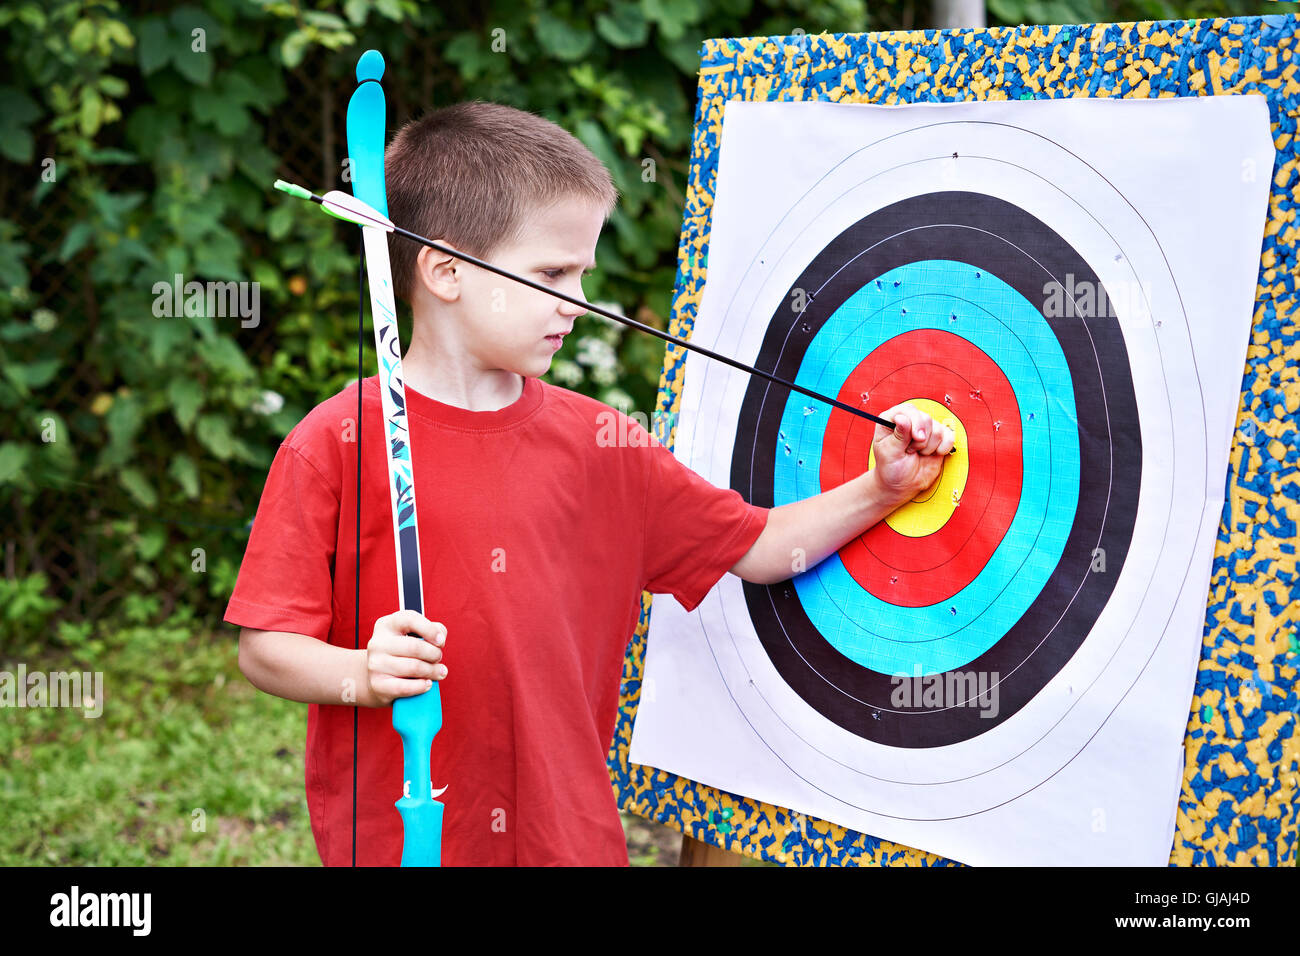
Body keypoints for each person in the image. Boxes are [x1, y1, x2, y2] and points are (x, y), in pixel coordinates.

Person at [226, 100, 955, 866]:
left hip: (566, 839)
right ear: (443, 270)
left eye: (581, 274)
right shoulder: (335, 442)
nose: (577, 302)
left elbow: (762, 545)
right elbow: (266, 648)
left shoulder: (600, 443)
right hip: (404, 836)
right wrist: (362, 674)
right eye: (551, 273)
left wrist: (884, 489)